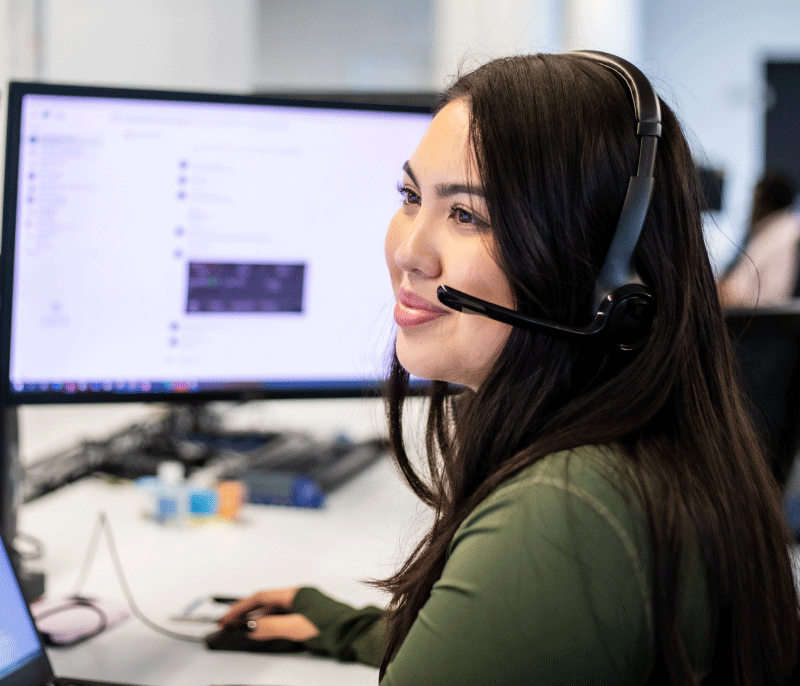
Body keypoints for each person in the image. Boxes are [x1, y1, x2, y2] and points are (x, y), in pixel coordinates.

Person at [219, 53, 800, 685]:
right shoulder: (640, 457)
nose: (410, 251)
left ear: (600, 281)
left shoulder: (565, 513)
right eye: (412, 196)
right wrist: (353, 629)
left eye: (466, 214)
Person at [718, 171, 800, 307]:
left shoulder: (780, 236)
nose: (752, 207)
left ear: (766, 202)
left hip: (756, 319)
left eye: (755, 200)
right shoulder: (776, 230)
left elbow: (737, 294)